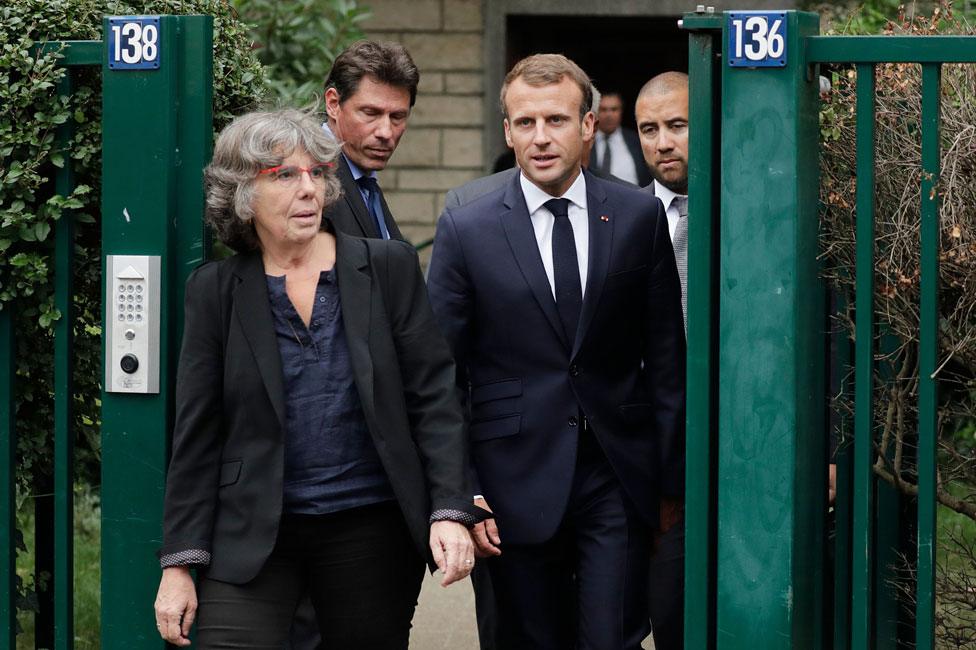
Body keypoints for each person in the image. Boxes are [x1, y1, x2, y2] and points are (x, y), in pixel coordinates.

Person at [152, 107, 485, 649]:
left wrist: (449, 509)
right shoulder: (215, 290)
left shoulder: (387, 267)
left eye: (316, 174)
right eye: (284, 175)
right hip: (254, 531)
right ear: (242, 193)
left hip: (370, 528)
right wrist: (179, 563)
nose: (308, 190)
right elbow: (198, 431)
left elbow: (435, 398)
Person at [427, 54, 686, 650]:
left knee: (612, 637)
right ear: (508, 131)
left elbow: (666, 359)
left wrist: (668, 485)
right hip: (506, 483)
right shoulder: (468, 222)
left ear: (589, 125)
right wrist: (461, 493)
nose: (540, 138)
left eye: (556, 120)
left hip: (615, 477)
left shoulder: (637, 214)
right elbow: (442, 374)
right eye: (525, 123)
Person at [635, 70, 690, 650]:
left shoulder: (746, 213)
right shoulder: (625, 217)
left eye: (677, 126)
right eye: (649, 130)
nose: (662, 142)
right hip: (651, 453)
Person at [322, 40, 417, 240]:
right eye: (370, 113)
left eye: (397, 117)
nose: (385, 132)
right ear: (333, 104)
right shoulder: (308, 179)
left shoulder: (365, 181)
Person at [591, 91, 653, 187]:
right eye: (603, 109)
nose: (609, 115)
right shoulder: (585, 141)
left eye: (614, 109)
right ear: (595, 112)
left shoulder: (637, 140)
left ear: (621, 111)